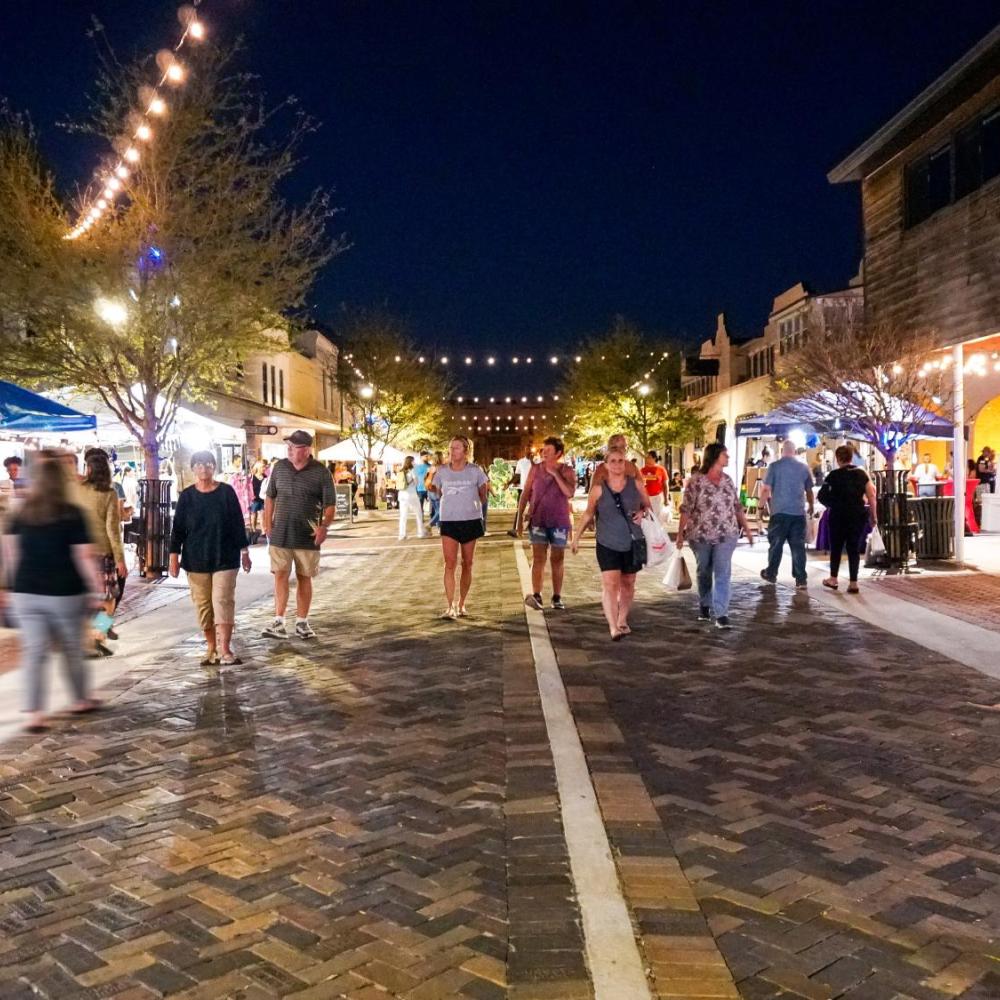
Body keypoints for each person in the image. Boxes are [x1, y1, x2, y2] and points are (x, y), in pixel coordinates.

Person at [1, 457, 103, 732]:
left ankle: (35, 713)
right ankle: (80, 698)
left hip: (26, 592)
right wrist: (96, 589)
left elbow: (11, 554)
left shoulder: (20, 514)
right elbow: (83, 556)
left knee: (34, 653)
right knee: (71, 648)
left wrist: (11, 587)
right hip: (64, 591)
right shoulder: (71, 513)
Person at [169, 451, 252, 665]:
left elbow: (236, 523)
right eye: (198, 465)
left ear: (214, 467)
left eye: (208, 464)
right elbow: (177, 529)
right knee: (203, 605)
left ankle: (225, 649)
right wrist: (173, 557)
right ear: (193, 468)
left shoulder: (226, 492)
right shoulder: (187, 497)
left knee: (222, 600)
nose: (203, 468)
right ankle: (211, 648)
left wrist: (245, 552)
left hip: (225, 556)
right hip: (196, 559)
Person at [261, 431, 336, 640]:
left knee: (305, 577)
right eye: (289, 446)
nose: (289, 450)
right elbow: (269, 498)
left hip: (307, 534)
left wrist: (324, 526)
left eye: (294, 447)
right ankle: (279, 620)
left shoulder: (321, 472)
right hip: (281, 533)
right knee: (280, 575)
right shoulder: (280, 468)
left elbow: (330, 504)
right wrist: (268, 524)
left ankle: (302, 621)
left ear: (305, 450)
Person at [571, 446, 649, 640]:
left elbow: (647, 505)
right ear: (605, 465)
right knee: (610, 583)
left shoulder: (636, 485)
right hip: (607, 542)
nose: (616, 465)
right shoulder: (598, 489)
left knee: (628, 582)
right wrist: (576, 537)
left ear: (626, 463)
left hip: (632, 540)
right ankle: (613, 626)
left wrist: (642, 513)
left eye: (620, 461)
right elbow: (589, 513)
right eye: (612, 461)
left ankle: (622, 619)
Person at [676, 442, 754, 629]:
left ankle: (721, 613)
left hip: (726, 533)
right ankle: (705, 603)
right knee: (704, 570)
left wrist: (747, 529)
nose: (727, 457)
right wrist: (680, 534)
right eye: (724, 455)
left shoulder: (728, 480)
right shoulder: (696, 481)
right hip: (700, 535)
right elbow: (686, 509)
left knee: (722, 571)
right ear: (715, 456)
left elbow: (736, 507)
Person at [429, 436, 489, 619]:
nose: (452, 451)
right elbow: (435, 489)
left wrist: (472, 505)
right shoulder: (442, 471)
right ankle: (450, 606)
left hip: (470, 520)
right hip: (449, 521)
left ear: (465, 451)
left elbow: (483, 493)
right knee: (449, 563)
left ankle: (462, 603)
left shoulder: (475, 471)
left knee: (467, 563)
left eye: (456, 448)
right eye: (450, 448)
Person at [78, 450, 128, 656]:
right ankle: (97, 635)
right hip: (102, 552)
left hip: (80, 552)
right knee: (109, 598)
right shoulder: (109, 493)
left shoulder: (78, 491)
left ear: (88, 469)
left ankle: (90, 637)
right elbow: (112, 530)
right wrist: (120, 560)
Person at [519, 436, 576, 611]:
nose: (544, 453)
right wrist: (519, 518)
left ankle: (557, 596)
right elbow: (525, 493)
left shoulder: (567, 471)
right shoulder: (535, 469)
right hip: (538, 519)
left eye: (549, 450)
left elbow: (569, 492)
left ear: (559, 453)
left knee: (557, 559)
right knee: (538, 558)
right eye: (544, 450)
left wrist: (555, 474)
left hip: (559, 521)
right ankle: (537, 594)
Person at [819, 445, 877, 594]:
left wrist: (832, 504)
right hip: (857, 514)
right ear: (851, 457)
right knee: (854, 548)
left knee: (836, 547)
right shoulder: (862, 474)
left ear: (838, 459)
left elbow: (821, 495)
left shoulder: (833, 475)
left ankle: (833, 578)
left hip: (837, 515)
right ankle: (853, 583)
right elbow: (871, 495)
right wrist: (873, 515)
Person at [759, 439, 814, 589]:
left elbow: (766, 489)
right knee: (798, 547)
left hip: (779, 512)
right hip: (798, 513)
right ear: (795, 451)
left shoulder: (774, 467)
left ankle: (771, 573)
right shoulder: (803, 468)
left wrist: (760, 506)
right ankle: (801, 578)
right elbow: (809, 490)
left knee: (776, 545)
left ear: (782, 451)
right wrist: (811, 505)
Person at [506, 447, 535, 537]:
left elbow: (538, 470)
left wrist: (532, 461)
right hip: (523, 489)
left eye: (530, 449)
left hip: (534, 490)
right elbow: (517, 475)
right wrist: (509, 483)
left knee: (535, 510)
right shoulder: (520, 462)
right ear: (524, 450)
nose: (529, 451)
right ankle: (516, 529)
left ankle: (536, 529)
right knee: (519, 510)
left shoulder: (537, 461)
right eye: (527, 449)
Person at [397, 455, 426, 540]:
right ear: (411, 462)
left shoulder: (401, 471)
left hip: (402, 495)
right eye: (413, 461)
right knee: (418, 513)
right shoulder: (412, 471)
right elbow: (416, 482)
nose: (415, 463)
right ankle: (420, 533)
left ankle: (402, 535)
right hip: (411, 494)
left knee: (403, 515)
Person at [640, 451, 668, 521]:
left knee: (657, 518)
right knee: (648, 517)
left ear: (654, 458)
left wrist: (666, 499)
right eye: (647, 457)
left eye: (649, 457)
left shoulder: (661, 469)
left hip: (657, 498)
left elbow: (665, 485)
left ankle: (658, 531)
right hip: (646, 498)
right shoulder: (642, 470)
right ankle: (649, 531)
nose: (647, 459)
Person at [426, 451, 443, 535]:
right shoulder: (441, 468)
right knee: (441, 511)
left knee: (437, 511)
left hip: (430, 490)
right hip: (437, 491)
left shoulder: (430, 467)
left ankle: (440, 529)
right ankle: (430, 524)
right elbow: (440, 482)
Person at [249, 459, 267, 534]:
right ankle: (253, 529)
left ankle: (263, 530)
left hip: (263, 497)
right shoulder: (252, 476)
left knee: (262, 514)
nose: (264, 468)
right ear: (258, 467)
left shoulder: (265, 476)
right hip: (254, 498)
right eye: (263, 467)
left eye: (265, 467)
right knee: (254, 514)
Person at [414, 451, 431, 517]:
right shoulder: (417, 467)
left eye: (427, 456)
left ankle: (432, 519)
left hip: (428, 488)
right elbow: (415, 478)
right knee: (420, 505)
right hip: (419, 488)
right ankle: (421, 518)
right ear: (421, 457)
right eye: (426, 456)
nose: (427, 458)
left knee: (431, 505)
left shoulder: (430, 466)